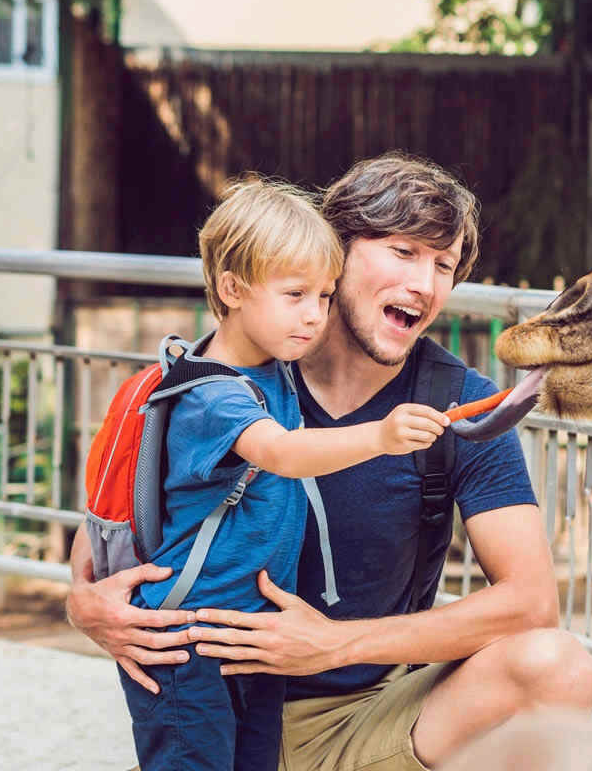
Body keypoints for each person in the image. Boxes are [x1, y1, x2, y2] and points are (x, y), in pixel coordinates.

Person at [67, 153, 592, 771]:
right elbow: (97, 548)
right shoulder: (232, 377)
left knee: (555, 666)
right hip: (218, 703)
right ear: (334, 251)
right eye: (404, 252)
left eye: (443, 265)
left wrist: (329, 646)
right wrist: (84, 605)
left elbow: (531, 604)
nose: (426, 285)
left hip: (361, 714)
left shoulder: (455, 406)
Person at [113, 178, 450, 771]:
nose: (315, 316)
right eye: (295, 294)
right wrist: (381, 437)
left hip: (251, 641)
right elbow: (280, 452)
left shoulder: (275, 369)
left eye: (324, 296)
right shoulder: (213, 394)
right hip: (187, 641)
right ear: (232, 288)